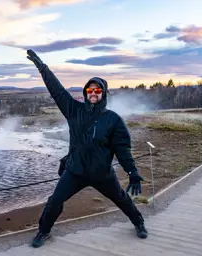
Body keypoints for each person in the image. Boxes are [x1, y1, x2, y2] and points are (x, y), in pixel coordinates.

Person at [26, 49, 148, 248]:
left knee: (121, 198)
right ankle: (44, 231)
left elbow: (122, 149)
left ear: (103, 94)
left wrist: (132, 171)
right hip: (75, 171)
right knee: (54, 201)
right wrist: (43, 68)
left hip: (102, 174)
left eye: (97, 90)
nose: (93, 93)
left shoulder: (113, 120)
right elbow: (57, 91)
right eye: (90, 90)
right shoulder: (73, 110)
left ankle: (139, 222)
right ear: (85, 93)